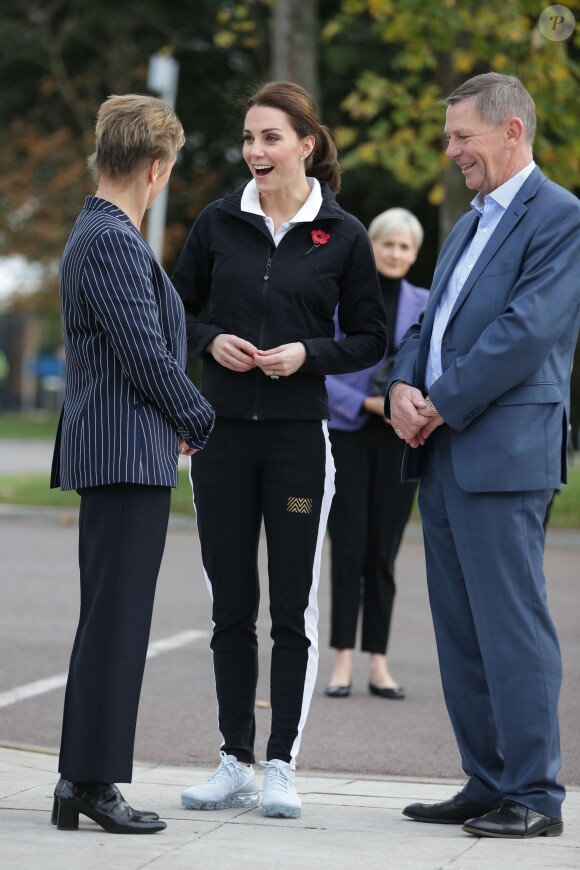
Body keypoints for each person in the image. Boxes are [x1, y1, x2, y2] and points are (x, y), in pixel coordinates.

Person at [172, 81, 386, 819]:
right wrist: (209, 341)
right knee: (231, 605)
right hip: (221, 438)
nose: (255, 151)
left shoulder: (344, 235)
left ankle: (281, 765)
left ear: (306, 145)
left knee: (291, 606)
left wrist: (307, 354)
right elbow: (175, 309)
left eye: (270, 137)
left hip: (298, 444)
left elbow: (369, 336)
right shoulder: (216, 222)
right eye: (248, 138)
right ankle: (233, 758)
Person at [388, 73, 580, 839]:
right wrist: (402, 382)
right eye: (449, 136)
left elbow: (526, 331)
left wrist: (439, 401)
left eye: (462, 135)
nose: (451, 150)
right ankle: (487, 779)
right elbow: (428, 324)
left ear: (511, 131)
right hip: (442, 450)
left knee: (512, 626)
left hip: (501, 450)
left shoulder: (560, 216)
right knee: (461, 628)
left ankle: (534, 793)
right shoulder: (468, 224)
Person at [49, 94, 215, 834]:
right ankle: (91, 781)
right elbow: (144, 353)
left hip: (122, 450)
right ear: (156, 168)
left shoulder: (99, 231)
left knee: (110, 621)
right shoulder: (113, 240)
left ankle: (79, 779)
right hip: (122, 456)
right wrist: (197, 416)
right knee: (117, 625)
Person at [324, 208, 429, 699]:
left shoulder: (427, 304)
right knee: (347, 550)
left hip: (400, 440)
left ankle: (379, 663)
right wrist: (365, 401)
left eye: (405, 247)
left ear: (414, 254)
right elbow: (317, 367)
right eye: (387, 243)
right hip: (347, 433)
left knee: (383, 554)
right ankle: (342, 660)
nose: (395, 253)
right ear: (372, 246)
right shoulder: (344, 299)